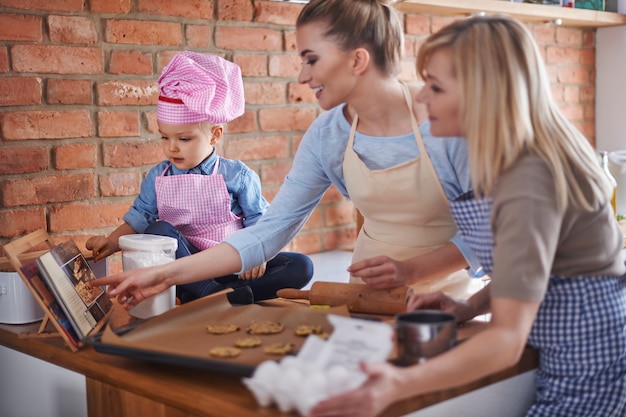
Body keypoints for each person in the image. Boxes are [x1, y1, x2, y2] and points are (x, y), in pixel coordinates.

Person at [308, 14, 626, 417]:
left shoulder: (528, 181)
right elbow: (534, 270)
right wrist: (470, 307)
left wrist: (396, 385)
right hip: (568, 356)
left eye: (436, 88)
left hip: (591, 371)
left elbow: (506, 340)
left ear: (484, 95)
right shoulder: (517, 161)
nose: (422, 99)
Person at [91, 0, 484, 312]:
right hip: (368, 293)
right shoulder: (328, 135)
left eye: (311, 59)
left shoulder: (445, 117)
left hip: (449, 298)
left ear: (357, 60)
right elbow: (269, 231)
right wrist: (166, 275)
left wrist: (412, 271)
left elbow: (494, 233)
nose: (301, 76)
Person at [86, 51, 313, 303]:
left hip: (233, 263)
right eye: (164, 137)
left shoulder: (237, 175)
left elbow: (260, 222)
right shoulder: (157, 177)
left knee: (302, 266)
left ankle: (217, 295)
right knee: (157, 229)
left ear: (215, 135)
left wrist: (257, 256)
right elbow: (139, 219)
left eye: (184, 139)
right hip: (186, 267)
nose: (172, 147)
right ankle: (208, 291)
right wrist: (110, 242)